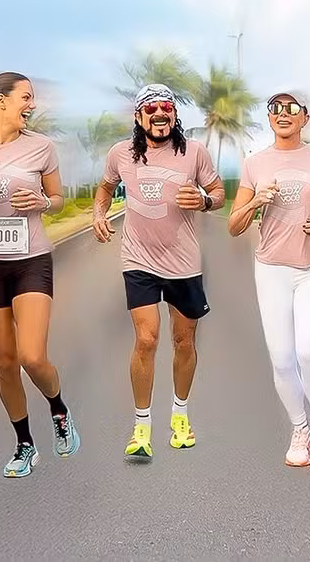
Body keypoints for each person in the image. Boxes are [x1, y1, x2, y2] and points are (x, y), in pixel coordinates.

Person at [0, 72, 79, 478]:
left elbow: (58, 199)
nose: (32, 104)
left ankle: (58, 408)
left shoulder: (41, 147)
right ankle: (24, 443)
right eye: (26, 97)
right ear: (1, 101)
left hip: (30, 261)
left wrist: (43, 201)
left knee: (32, 356)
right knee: (5, 362)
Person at [92, 83, 225, 460]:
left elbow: (217, 194)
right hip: (139, 260)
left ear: (174, 114)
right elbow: (105, 189)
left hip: (183, 263)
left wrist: (202, 199)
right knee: (147, 339)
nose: (159, 114)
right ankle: (141, 426)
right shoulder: (121, 153)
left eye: (166, 107)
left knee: (184, 342)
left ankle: (180, 417)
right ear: (138, 117)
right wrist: (99, 213)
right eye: (150, 109)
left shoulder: (194, 152)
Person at [227, 92, 310, 472]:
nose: (283, 114)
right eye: (275, 109)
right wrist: (255, 201)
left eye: (292, 108)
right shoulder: (255, 164)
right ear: (269, 118)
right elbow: (233, 224)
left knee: (309, 350)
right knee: (281, 357)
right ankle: (300, 428)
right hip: (272, 268)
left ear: (305, 117)